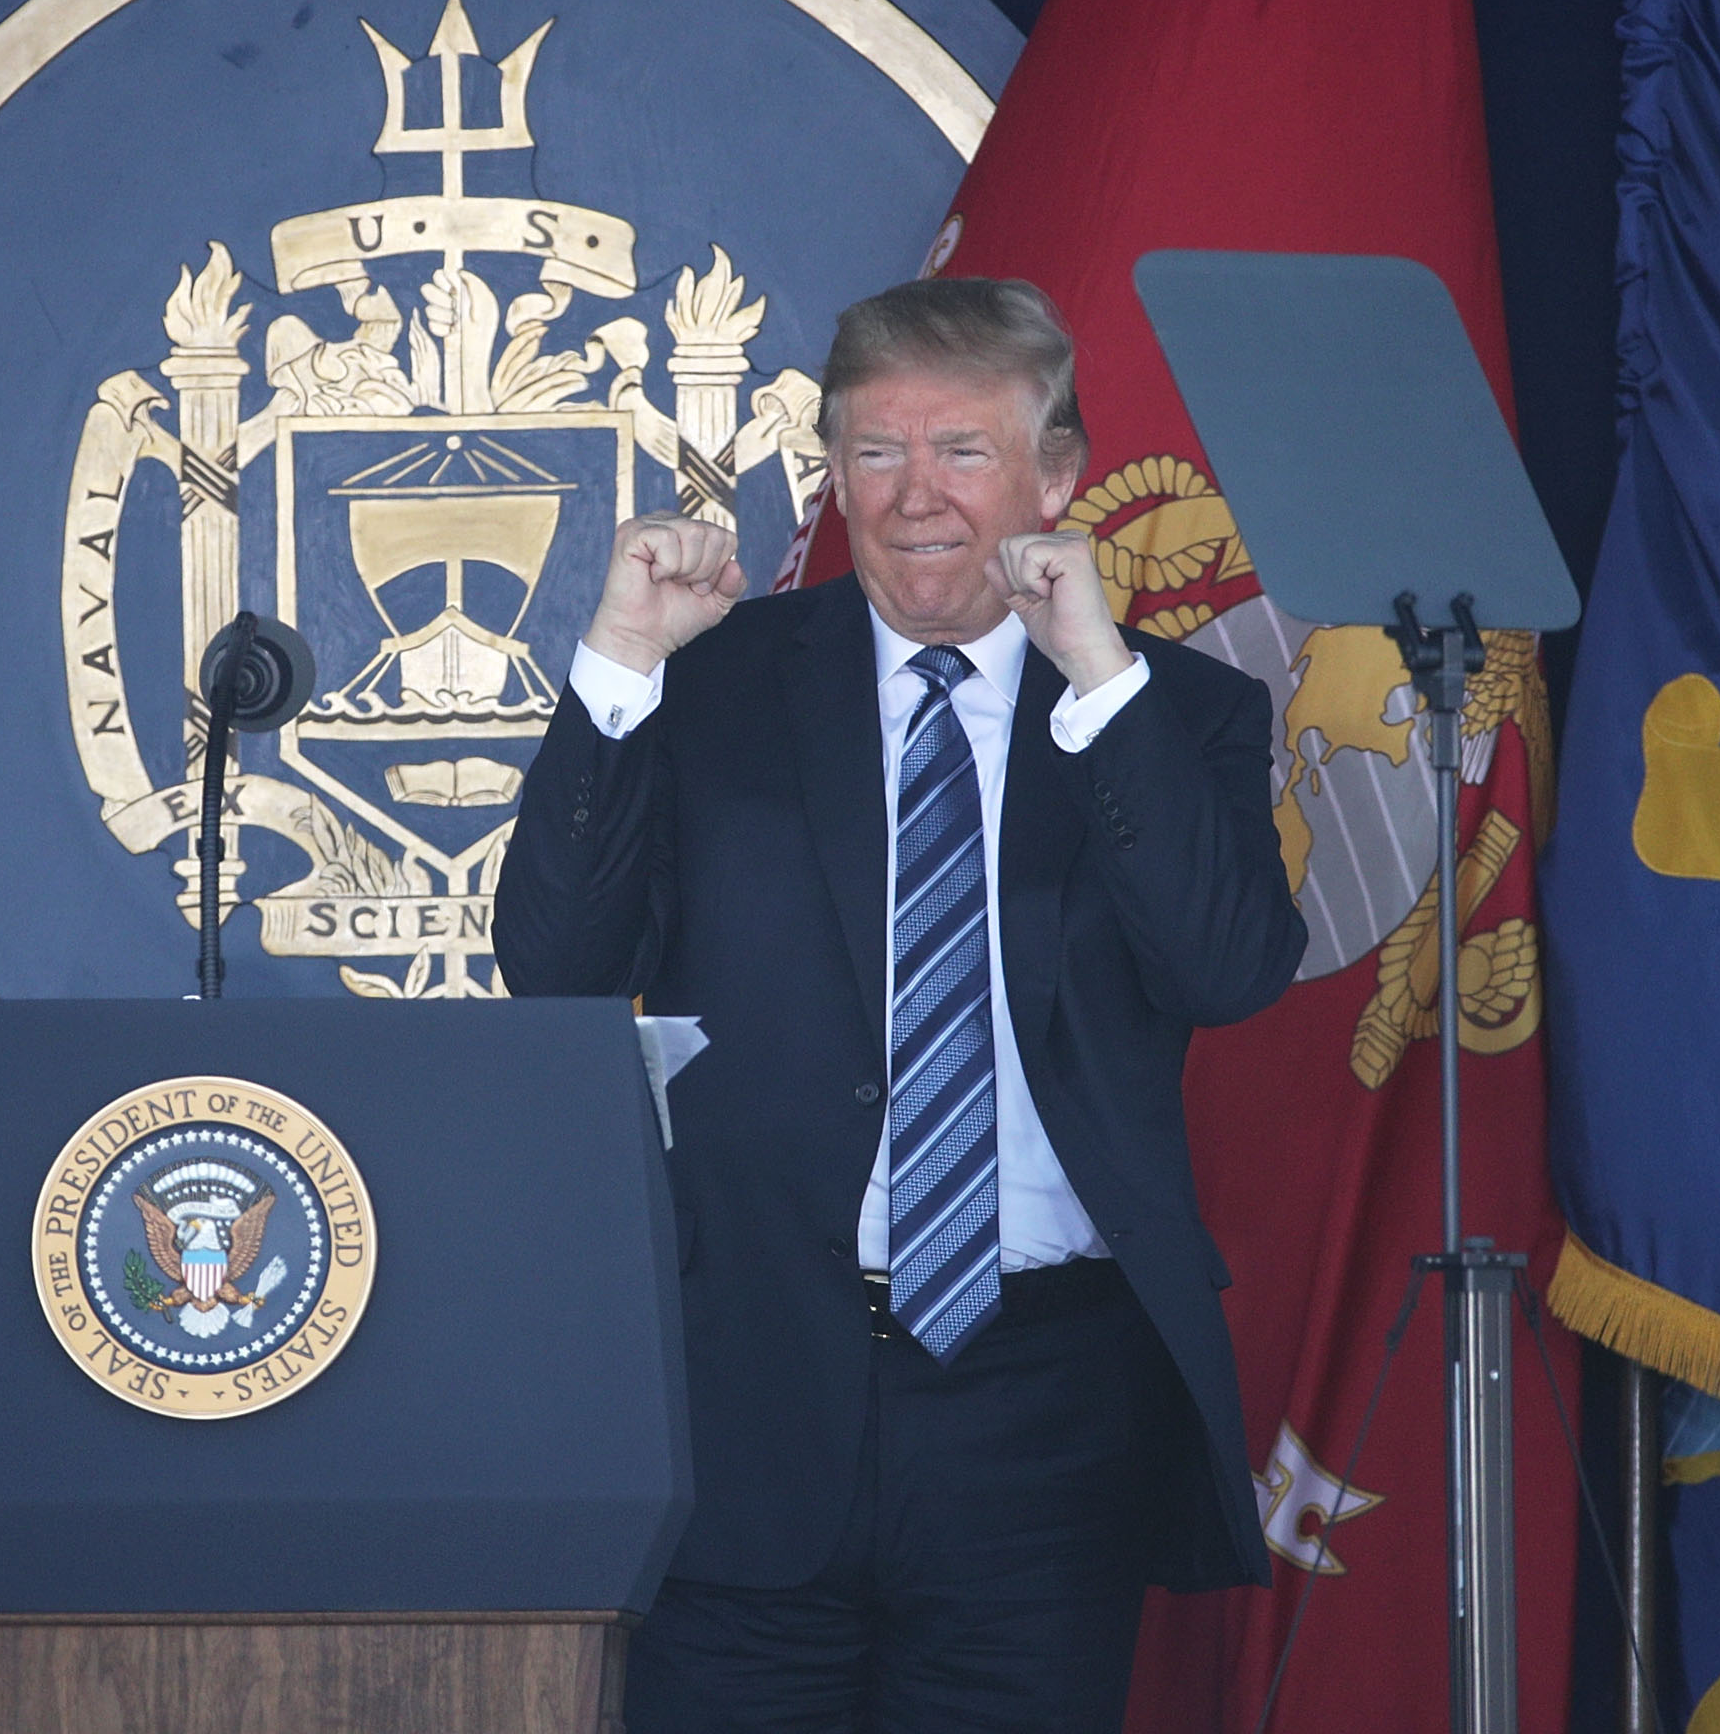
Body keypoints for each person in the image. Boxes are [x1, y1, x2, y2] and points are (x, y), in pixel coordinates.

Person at [496, 276, 1304, 1732]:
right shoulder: (711, 680)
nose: (914, 495)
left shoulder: (1173, 713)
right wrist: (618, 659)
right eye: (876, 452)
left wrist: (1098, 675)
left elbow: (1229, 972)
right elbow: (553, 961)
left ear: (1057, 475)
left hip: (1045, 1416)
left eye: (964, 451)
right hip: (750, 1396)